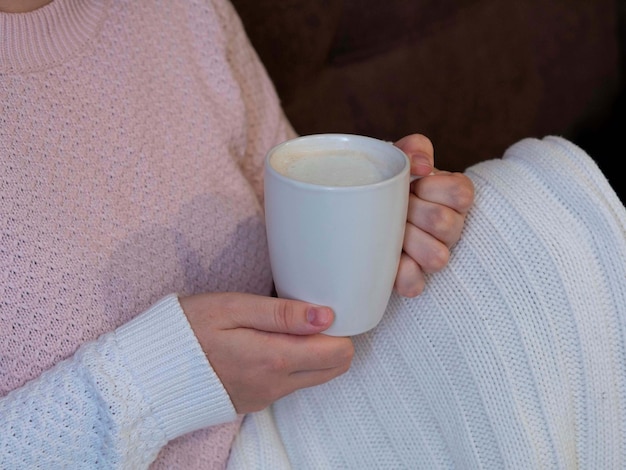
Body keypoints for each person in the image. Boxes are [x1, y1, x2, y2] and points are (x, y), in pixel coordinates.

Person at [3, 2, 626, 470]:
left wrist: (373, 236)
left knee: (526, 219)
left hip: (298, 411)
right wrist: (155, 382)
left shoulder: (180, 12)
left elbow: (282, 216)